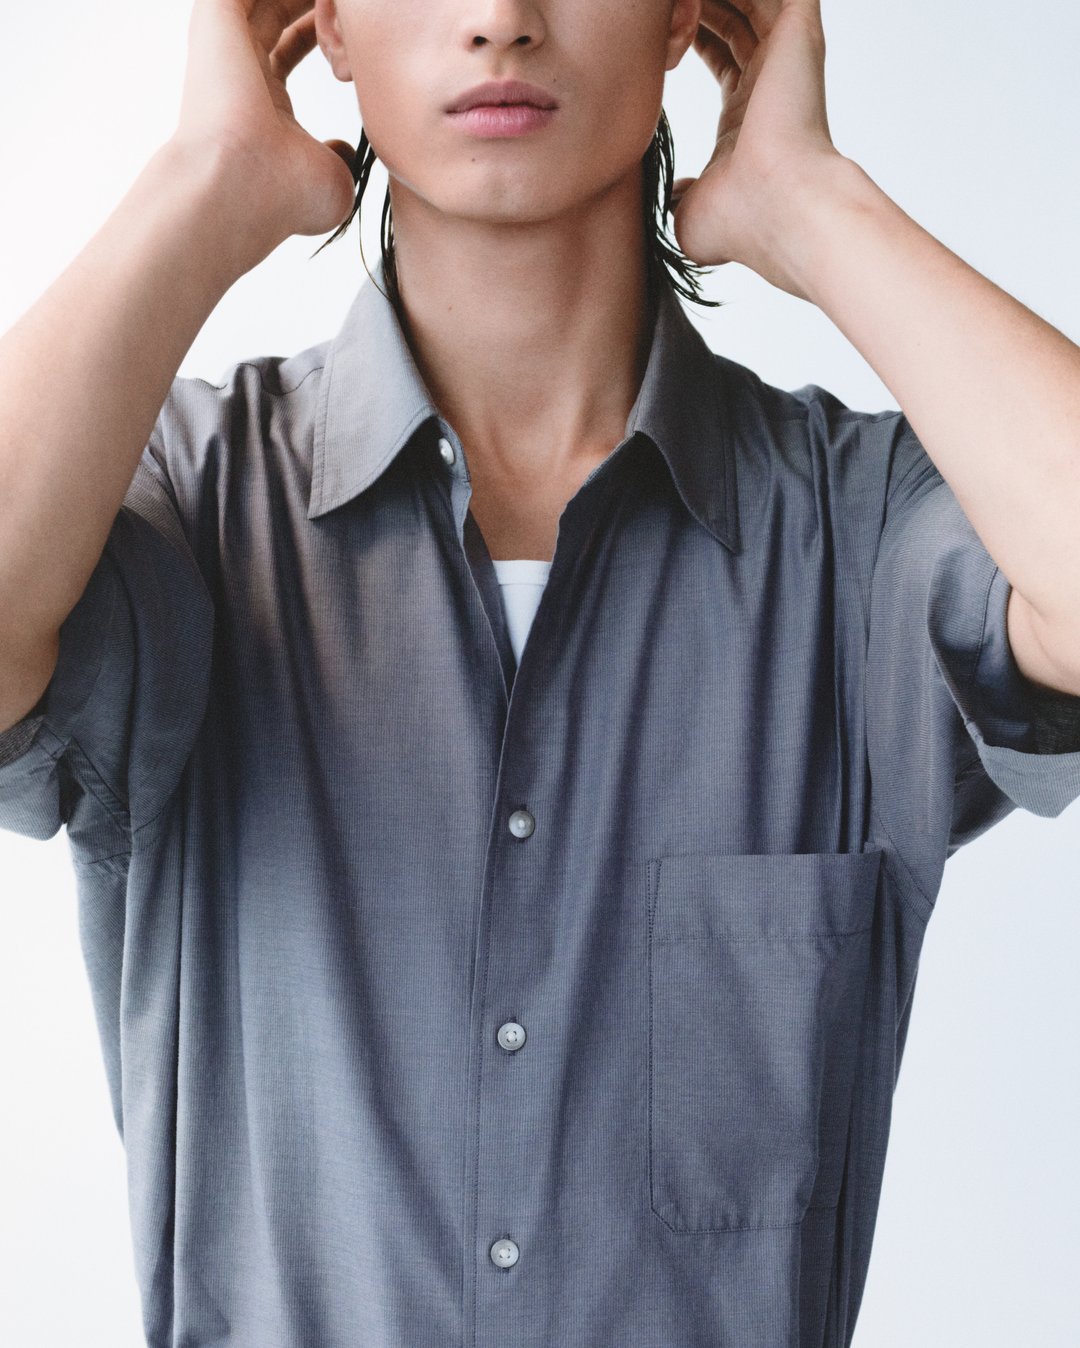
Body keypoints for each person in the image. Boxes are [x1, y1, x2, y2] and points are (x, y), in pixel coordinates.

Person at [1, 0, 1079, 1344]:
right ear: (327, 24)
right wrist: (203, 184)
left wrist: (814, 208)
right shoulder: (184, 500)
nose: (501, 20)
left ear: (685, 14)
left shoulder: (853, 533)